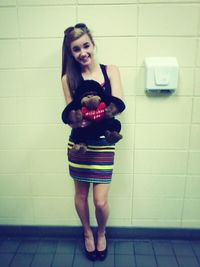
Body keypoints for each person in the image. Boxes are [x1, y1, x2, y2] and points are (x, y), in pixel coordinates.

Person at [61, 23, 125, 261]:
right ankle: (87, 233)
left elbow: (117, 104)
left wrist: (99, 113)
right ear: (71, 53)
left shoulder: (111, 70)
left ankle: (101, 232)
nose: (83, 52)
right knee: (80, 196)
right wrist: (78, 121)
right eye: (76, 49)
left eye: (86, 45)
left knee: (99, 201)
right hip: (79, 143)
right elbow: (69, 115)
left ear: (93, 44)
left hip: (103, 143)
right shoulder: (69, 77)